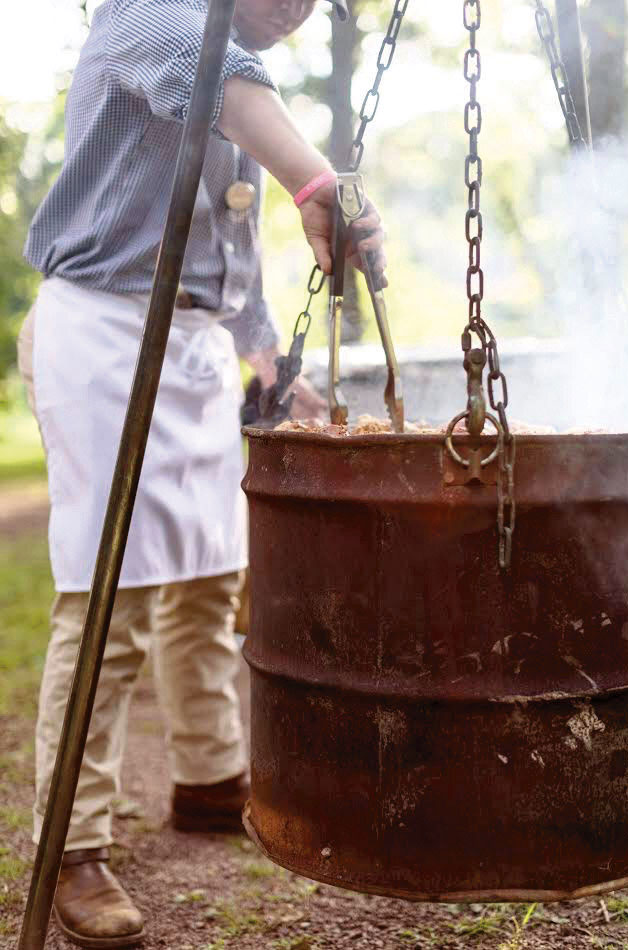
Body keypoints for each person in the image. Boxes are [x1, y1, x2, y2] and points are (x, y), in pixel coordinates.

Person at [18, 0, 386, 946]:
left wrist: (269, 361)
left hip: (194, 350)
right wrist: (317, 181)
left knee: (209, 579)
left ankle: (209, 775)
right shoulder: (150, 14)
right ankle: (75, 840)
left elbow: (230, 246)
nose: (300, 9)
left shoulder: (247, 94)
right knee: (112, 592)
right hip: (105, 331)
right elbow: (214, 77)